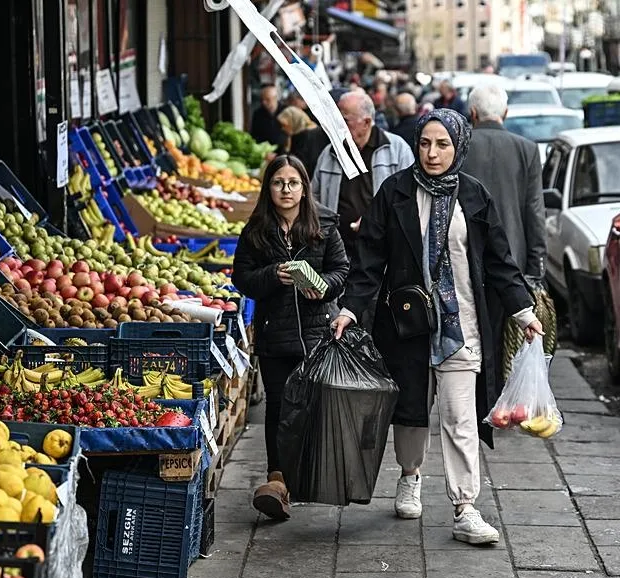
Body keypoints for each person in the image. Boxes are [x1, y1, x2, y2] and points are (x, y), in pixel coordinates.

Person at [332, 110, 544, 545]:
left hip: (461, 326)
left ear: (459, 146)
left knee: (460, 416)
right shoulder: (394, 192)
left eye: (442, 144)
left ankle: (465, 507)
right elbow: (369, 260)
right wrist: (350, 309)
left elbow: (501, 262)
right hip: (406, 326)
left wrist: (524, 312)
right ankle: (410, 476)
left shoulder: (475, 195)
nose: (432, 153)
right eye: (425, 143)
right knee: (410, 412)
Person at [232, 155, 349, 521]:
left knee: (313, 407)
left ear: (304, 187)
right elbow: (242, 277)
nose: (286, 190)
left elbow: (342, 269)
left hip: (317, 335)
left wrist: (324, 288)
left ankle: (309, 476)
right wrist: (272, 276)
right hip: (275, 336)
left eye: (293, 183)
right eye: (279, 183)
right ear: (268, 188)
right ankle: (277, 481)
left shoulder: (325, 223)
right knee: (279, 409)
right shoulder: (256, 229)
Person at [461, 84, 548, 376]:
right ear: (505, 113)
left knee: (470, 342)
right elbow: (535, 212)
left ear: (471, 113)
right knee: (505, 345)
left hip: (465, 258)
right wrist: (536, 269)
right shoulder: (527, 149)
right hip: (513, 264)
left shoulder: (460, 147)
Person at [312, 89, 414, 259]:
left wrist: (375, 221)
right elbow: (313, 196)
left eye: (344, 121)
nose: (337, 126)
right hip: (337, 250)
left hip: (382, 249)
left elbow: (409, 199)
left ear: (366, 122)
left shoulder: (397, 149)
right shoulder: (330, 153)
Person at [250, 84, 286, 153]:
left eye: (267, 99)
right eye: (262, 99)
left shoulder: (287, 111)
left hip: (284, 154)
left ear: (275, 98)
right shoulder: (257, 114)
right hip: (265, 154)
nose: (264, 102)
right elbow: (254, 136)